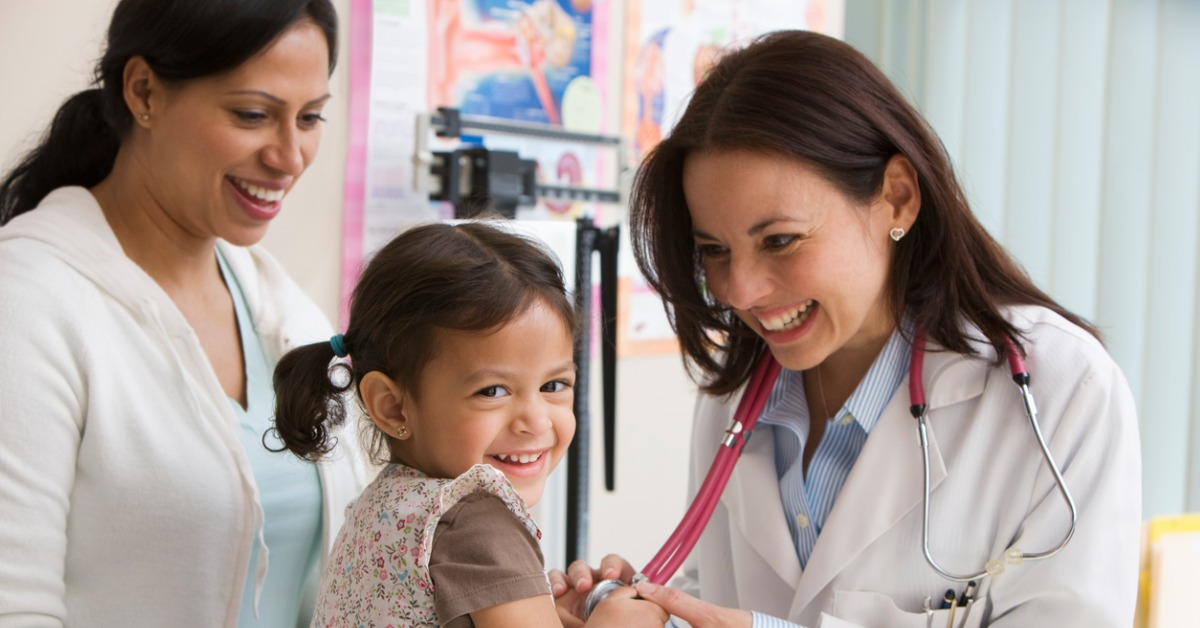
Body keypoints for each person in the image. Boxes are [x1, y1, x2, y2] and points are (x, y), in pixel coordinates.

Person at [551, 30, 1141, 627]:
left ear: (898, 198)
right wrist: (646, 613)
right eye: (715, 250)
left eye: (779, 240)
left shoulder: (1057, 391)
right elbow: (717, 594)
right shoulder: (736, 403)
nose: (741, 291)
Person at [0, 1, 366, 626]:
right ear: (143, 91)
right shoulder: (30, 302)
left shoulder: (282, 311)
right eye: (253, 114)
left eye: (309, 118)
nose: (290, 156)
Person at [270, 221, 667, 627]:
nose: (534, 420)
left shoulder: (384, 508)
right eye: (492, 391)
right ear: (392, 407)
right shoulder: (476, 522)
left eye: (554, 384)